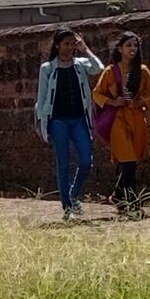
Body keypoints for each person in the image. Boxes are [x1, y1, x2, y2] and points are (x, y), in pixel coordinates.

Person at [36, 29, 103, 218]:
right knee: (63, 164)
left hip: (79, 119)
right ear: (57, 45)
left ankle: (73, 194)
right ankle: (67, 207)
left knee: (86, 160)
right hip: (58, 121)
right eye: (66, 44)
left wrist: (85, 48)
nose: (70, 47)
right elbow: (42, 98)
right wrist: (42, 122)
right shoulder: (48, 68)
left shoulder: (80, 65)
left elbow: (98, 68)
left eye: (72, 44)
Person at [92, 31, 150, 210]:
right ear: (120, 48)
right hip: (118, 120)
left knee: (131, 161)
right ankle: (132, 203)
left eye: (135, 45)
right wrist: (113, 102)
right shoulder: (110, 71)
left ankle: (118, 196)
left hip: (136, 118)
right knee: (127, 160)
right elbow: (97, 93)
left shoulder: (142, 71)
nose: (132, 49)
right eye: (128, 45)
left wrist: (140, 102)